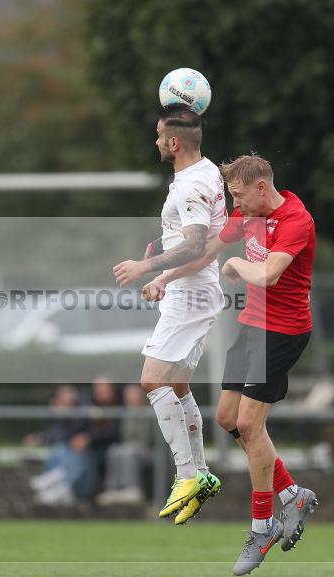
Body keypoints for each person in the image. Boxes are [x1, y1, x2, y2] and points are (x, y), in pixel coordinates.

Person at [144, 154, 318, 575]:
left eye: (239, 195)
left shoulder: (296, 219)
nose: (235, 205)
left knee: (250, 426)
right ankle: (293, 495)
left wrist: (237, 264)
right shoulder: (247, 212)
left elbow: (270, 274)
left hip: (283, 333)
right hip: (253, 326)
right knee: (227, 418)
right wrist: (162, 278)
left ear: (262, 188)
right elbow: (205, 254)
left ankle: (262, 526)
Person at [112, 104, 227, 525]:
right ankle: (202, 473)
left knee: (152, 380)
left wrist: (149, 267)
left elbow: (198, 244)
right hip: (193, 287)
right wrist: (166, 277)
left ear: (174, 143)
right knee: (177, 384)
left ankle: (187, 475)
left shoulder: (190, 185)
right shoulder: (208, 170)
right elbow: (210, 247)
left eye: (160, 135)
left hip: (192, 295)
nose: (156, 141)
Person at [97, 383, 156, 505]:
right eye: (128, 397)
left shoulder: (151, 413)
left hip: (149, 450)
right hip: (130, 448)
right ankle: (113, 489)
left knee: (129, 451)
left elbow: (149, 439)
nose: (131, 399)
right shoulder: (126, 414)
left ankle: (133, 488)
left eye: (134, 396)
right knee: (114, 450)